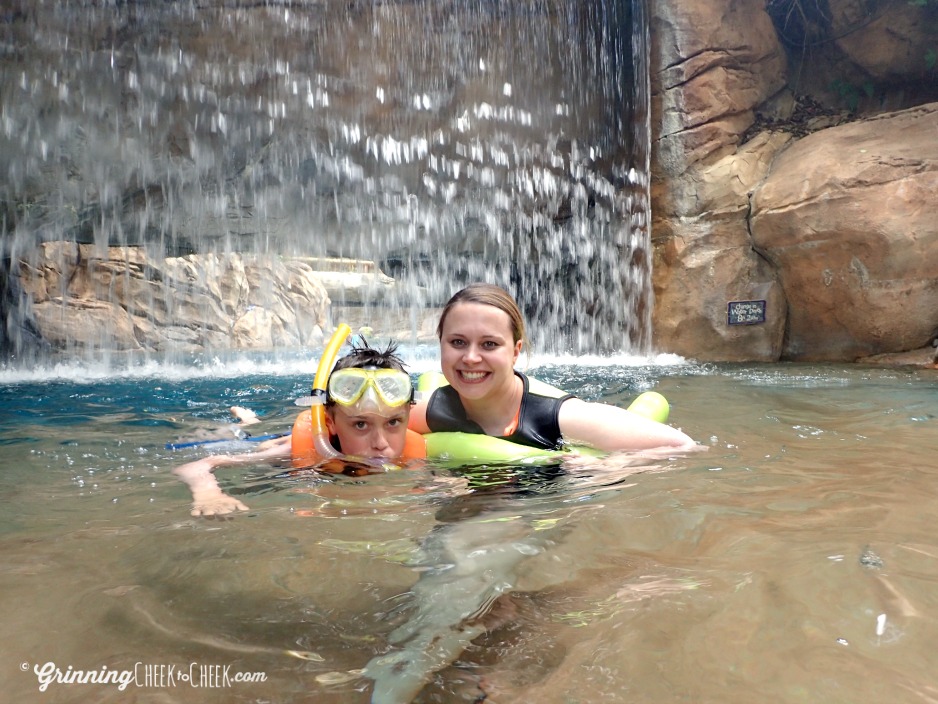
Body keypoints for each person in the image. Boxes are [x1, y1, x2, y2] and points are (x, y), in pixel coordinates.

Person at [408, 283, 700, 453]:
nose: (471, 358)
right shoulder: (433, 409)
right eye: (458, 342)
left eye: (489, 345)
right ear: (441, 344)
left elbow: (681, 445)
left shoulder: (555, 416)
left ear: (515, 352)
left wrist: (613, 465)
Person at [173, 339, 422, 517]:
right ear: (330, 423)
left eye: (392, 422)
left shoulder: (416, 453)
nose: (380, 442)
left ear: (407, 415)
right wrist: (209, 495)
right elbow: (197, 465)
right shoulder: (306, 449)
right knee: (263, 441)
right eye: (360, 424)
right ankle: (248, 421)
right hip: (282, 442)